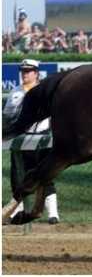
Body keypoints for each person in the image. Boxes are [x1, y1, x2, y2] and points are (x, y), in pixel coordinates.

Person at [3, 59, 60, 224]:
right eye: (23, 71)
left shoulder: (44, 92)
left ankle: (53, 213)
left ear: (36, 73)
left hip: (42, 138)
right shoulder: (15, 92)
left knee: (46, 175)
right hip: (21, 139)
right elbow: (7, 116)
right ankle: (16, 211)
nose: (25, 74)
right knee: (18, 176)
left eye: (28, 71)